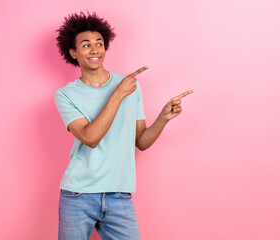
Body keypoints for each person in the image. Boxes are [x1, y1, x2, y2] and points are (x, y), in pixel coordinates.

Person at [54, 11, 193, 240]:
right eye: (86, 45)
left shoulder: (130, 86)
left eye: (99, 43)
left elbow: (141, 142)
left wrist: (163, 118)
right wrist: (118, 93)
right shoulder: (66, 95)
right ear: (73, 52)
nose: (95, 49)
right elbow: (90, 138)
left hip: (119, 195)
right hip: (78, 195)